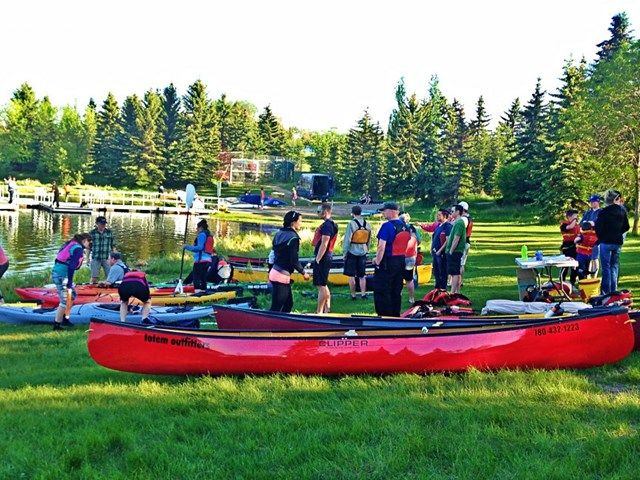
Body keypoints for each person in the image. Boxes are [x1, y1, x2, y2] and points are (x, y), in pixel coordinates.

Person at [373, 202, 411, 317]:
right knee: (396, 289)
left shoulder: (387, 226)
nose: (383, 213)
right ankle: (395, 314)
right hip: (401, 261)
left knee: (382, 289)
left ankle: (384, 315)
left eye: (384, 211)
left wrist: (377, 262)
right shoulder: (405, 226)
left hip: (388, 262)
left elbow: (381, 247)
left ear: (391, 211)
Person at [269, 210, 310, 312]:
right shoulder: (293, 238)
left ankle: (280, 322)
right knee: (276, 309)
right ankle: (267, 322)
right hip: (281, 276)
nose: (300, 223)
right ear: (293, 222)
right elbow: (294, 260)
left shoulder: (278, 233)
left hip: (275, 272)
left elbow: (272, 255)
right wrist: (304, 273)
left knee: (288, 304)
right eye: (299, 221)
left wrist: (269, 270)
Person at [52, 233, 92, 331]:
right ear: (84, 240)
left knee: (72, 295)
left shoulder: (72, 244)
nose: (90, 244)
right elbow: (71, 266)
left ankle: (65, 318)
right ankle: (57, 325)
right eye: (89, 242)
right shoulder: (78, 249)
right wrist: (69, 282)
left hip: (58, 272)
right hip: (62, 275)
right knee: (65, 300)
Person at [595, 189, 630, 294]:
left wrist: (602, 237)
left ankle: (606, 292)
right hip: (617, 241)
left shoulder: (603, 212)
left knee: (606, 268)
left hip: (606, 242)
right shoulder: (622, 211)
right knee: (614, 266)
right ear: (616, 199)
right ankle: (614, 290)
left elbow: (598, 228)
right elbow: (626, 227)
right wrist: (618, 233)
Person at [312, 203, 338, 313]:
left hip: (323, 257)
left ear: (325, 212)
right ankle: (327, 309)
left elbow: (325, 243)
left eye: (319, 211)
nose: (317, 213)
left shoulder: (327, 225)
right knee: (323, 284)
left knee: (320, 286)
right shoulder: (331, 224)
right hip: (326, 256)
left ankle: (319, 312)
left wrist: (318, 258)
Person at [342, 205, 372, 300]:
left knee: (351, 275)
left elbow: (347, 239)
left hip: (352, 251)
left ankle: (353, 295)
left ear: (353, 213)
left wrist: (344, 253)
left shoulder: (351, 223)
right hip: (363, 251)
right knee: (362, 275)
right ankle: (363, 294)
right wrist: (367, 249)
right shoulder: (367, 224)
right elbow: (369, 239)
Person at [183, 219, 215, 292]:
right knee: (203, 278)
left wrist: (186, 246)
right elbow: (205, 248)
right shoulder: (209, 235)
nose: (196, 229)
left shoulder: (202, 235)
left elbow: (199, 248)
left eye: (197, 227)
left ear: (201, 228)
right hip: (208, 260)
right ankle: (203, 291)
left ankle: (197, 292)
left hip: (200, 260)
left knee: (196, 277)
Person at [428, 209, 452, 289]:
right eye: (437, 215)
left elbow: (448, 241)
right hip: (435, 253)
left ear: (444, 216)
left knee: (442, 272)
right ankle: (437, 288)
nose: (437, 216)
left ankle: (442, 289)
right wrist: (432, 248)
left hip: (442, 254)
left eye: (439, 215)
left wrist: (440, 251)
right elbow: (435, 237)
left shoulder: (448, 226)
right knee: (436, 271)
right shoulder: (439, 226)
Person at [399, 212, 421, 305]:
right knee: (409, 279)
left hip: (400, 255)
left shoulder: (398, 228)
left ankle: (398, 296)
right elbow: (419, 241)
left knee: (398, 278)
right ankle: (411, 298)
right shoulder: (413, 229)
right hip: (411, 256)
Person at [446, 205, 467, 294]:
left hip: (455, 251)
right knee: (455, 272)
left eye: (452, 211)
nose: (451, 213)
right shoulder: (457, 222)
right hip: (454, 251)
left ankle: (452, 292)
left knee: (454, 273)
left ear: (458, 212)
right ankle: (456, 292)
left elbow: (456, 238)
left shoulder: (459, 223)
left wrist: (451, 251)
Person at [90, 216, 115, 283]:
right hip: (95, 258)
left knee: (110, 276)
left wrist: (113, 258)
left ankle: (108, 288)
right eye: (101, 223)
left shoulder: (109, 232)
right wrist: (87, 259)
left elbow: (113, 246)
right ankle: (93, 288)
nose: (103, 225)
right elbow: (88, 247)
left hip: (106, 258)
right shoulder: (92, 233)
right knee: (94, 277)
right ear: (97, 223)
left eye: (104, 223)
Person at [581, 194, 602, 276]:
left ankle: (595, 276)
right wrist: (589, 223)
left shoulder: (601, 212)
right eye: (591, 202)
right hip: (586, 238)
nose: (592, 203)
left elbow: (598, 224)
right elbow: (582, 224)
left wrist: (590, 223)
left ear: (598, 202)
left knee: (595, 257)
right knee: (587, 256)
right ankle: (588, 276)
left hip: (596, 238)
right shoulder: (588, 212)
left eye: (594, 201)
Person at [560, 209, 580, 284]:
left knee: (574, 265)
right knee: (565, 265)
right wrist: (574, 220)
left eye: (577, 216)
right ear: (569, 217)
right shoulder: (564, 225)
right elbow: (570, 227)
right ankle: (562, 281)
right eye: (574, 217)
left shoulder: (577, 225)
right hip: (567, 247)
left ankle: (572, 282)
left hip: (575, 247)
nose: (576, 218)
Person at [457, 201, 473, 279]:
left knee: (460, 264)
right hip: (467, 241)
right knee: (462, 263)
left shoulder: (464, 219)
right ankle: (460, 281)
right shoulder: (469, 218)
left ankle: (458, 281)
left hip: (463, 242)